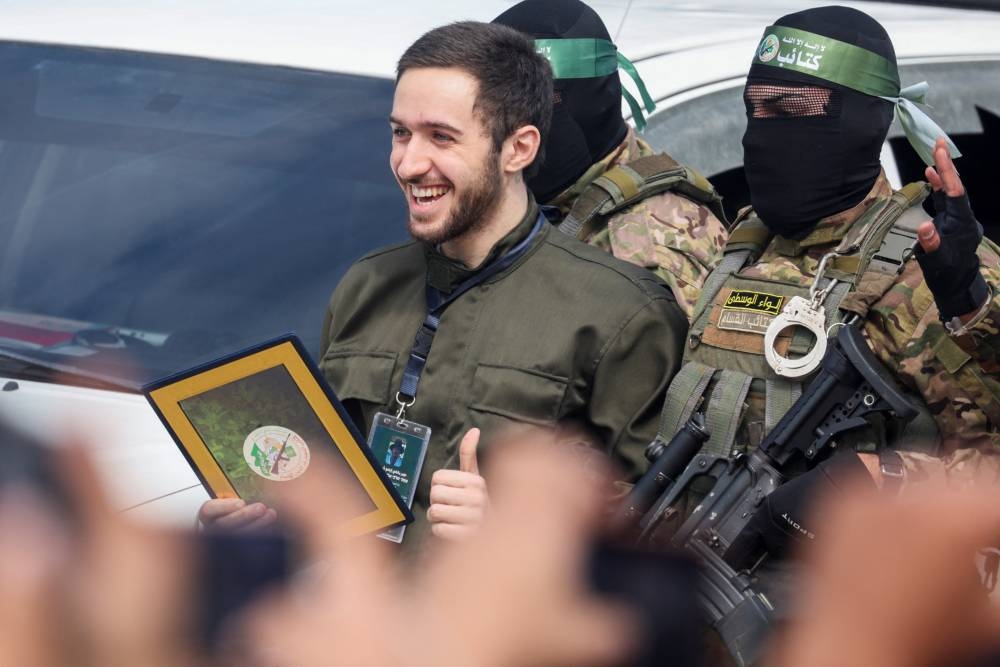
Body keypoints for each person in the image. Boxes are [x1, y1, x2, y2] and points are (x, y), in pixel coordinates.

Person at [199, 21, 687, 551]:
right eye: (400, 133)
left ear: (517, 148)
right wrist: (262, 519)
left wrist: (511, 526)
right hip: (349, 619)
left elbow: (657, 530)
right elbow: (329, 485)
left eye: (442, 137)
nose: (409, 164)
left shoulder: (622, 315)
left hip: (492, 628)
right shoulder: (368, 285)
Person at [644, 3, 1000, 596]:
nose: (763, 132)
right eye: (754, 110)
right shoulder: (740, 247)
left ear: (862, 121)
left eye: (791, 110)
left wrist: (883, 478)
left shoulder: (936, 268)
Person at [492, 0, 729, 319]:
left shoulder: (645, 247)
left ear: (592, 96)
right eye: (497, 107)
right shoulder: (508, 200)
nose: (515, 125)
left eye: (543, 102)